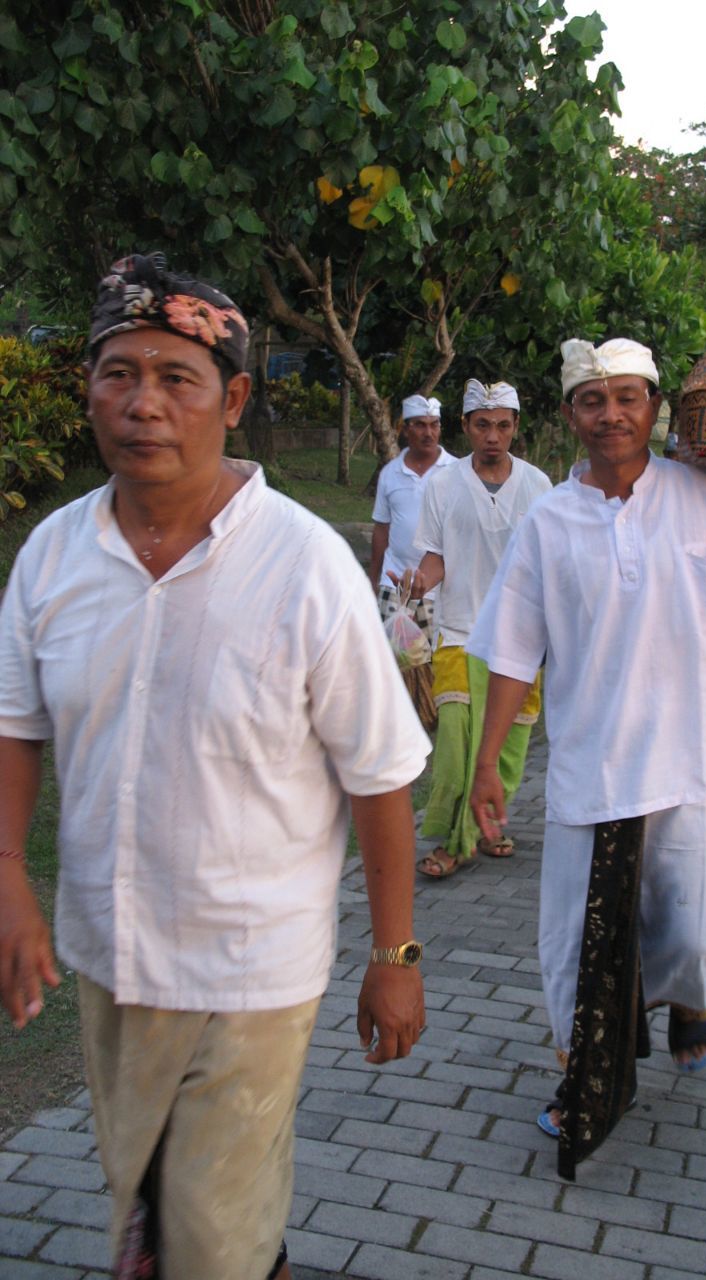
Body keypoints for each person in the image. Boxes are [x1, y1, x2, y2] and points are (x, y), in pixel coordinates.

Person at [0, 253, 431, 1280]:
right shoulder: (52, 558)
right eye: (117, 372)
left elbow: (378, 775)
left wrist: (396, 955)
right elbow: (15, 722)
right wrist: (11, 874)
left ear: (232, 399)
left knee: (205, 1233)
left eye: (176, 377)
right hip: (108, 955)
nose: (142, 402)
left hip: (253, 968)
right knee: (148, 1197)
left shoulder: (305, 563)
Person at [467, 338, 706, 1160]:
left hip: (692, 755)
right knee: (574, 942)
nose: (611, 413)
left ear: (654, 408)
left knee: (693, 933)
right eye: (592, 399)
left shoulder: (705, 498)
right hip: (591, 763)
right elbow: (512, 650)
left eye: (627, 397)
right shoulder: (548, 521)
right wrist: (486, 765)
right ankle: (583, 1082)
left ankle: (686, 997)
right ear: (569, 414)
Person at [406, 378, 552, 878]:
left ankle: (488, 825)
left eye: (503, 426)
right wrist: (417, 583)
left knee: (509, 745)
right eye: (483, 425)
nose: (494, 435)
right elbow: (434, 558)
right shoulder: (441, 485)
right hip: (459, 632)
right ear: (466, 427)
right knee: (454, 746)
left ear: (515, 428)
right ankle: (454, 839)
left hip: (520, 638)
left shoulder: (538, 486)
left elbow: (549, 565)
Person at [369, 394, 455, 730]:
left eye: (434, 425)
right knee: (399, 654)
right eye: (420, 425)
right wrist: (372, 579)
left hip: (440, 585)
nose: (428, 433)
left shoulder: (456, 471)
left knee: (432, 657)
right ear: (405, 429)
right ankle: (401, 723)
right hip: (395, 582)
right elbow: (381, 528)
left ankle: (433, 718)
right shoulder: (390, 473)